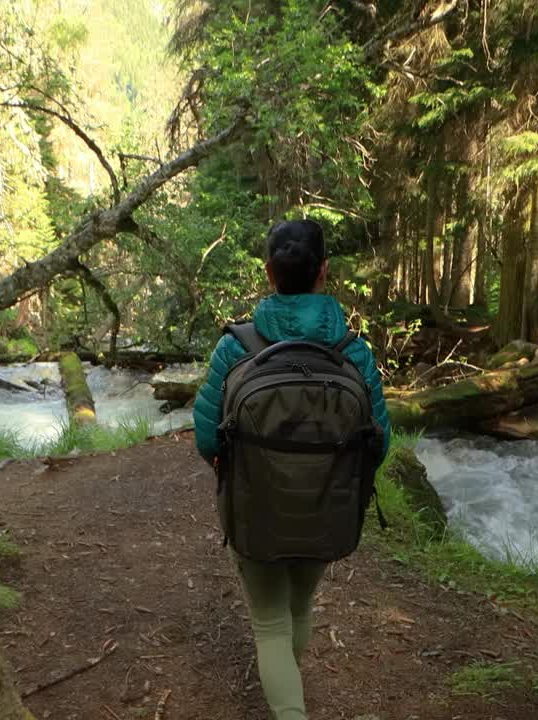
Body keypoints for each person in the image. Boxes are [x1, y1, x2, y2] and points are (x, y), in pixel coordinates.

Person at [193, 219, 391, 720]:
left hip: (256, 507)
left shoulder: (235, 347)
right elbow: (380, 441)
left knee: (270, 624)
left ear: (268, 273)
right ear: (325, 271)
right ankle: (289, 693)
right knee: (298, 609)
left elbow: (206, 438)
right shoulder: (355, 351)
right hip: (327, 507)